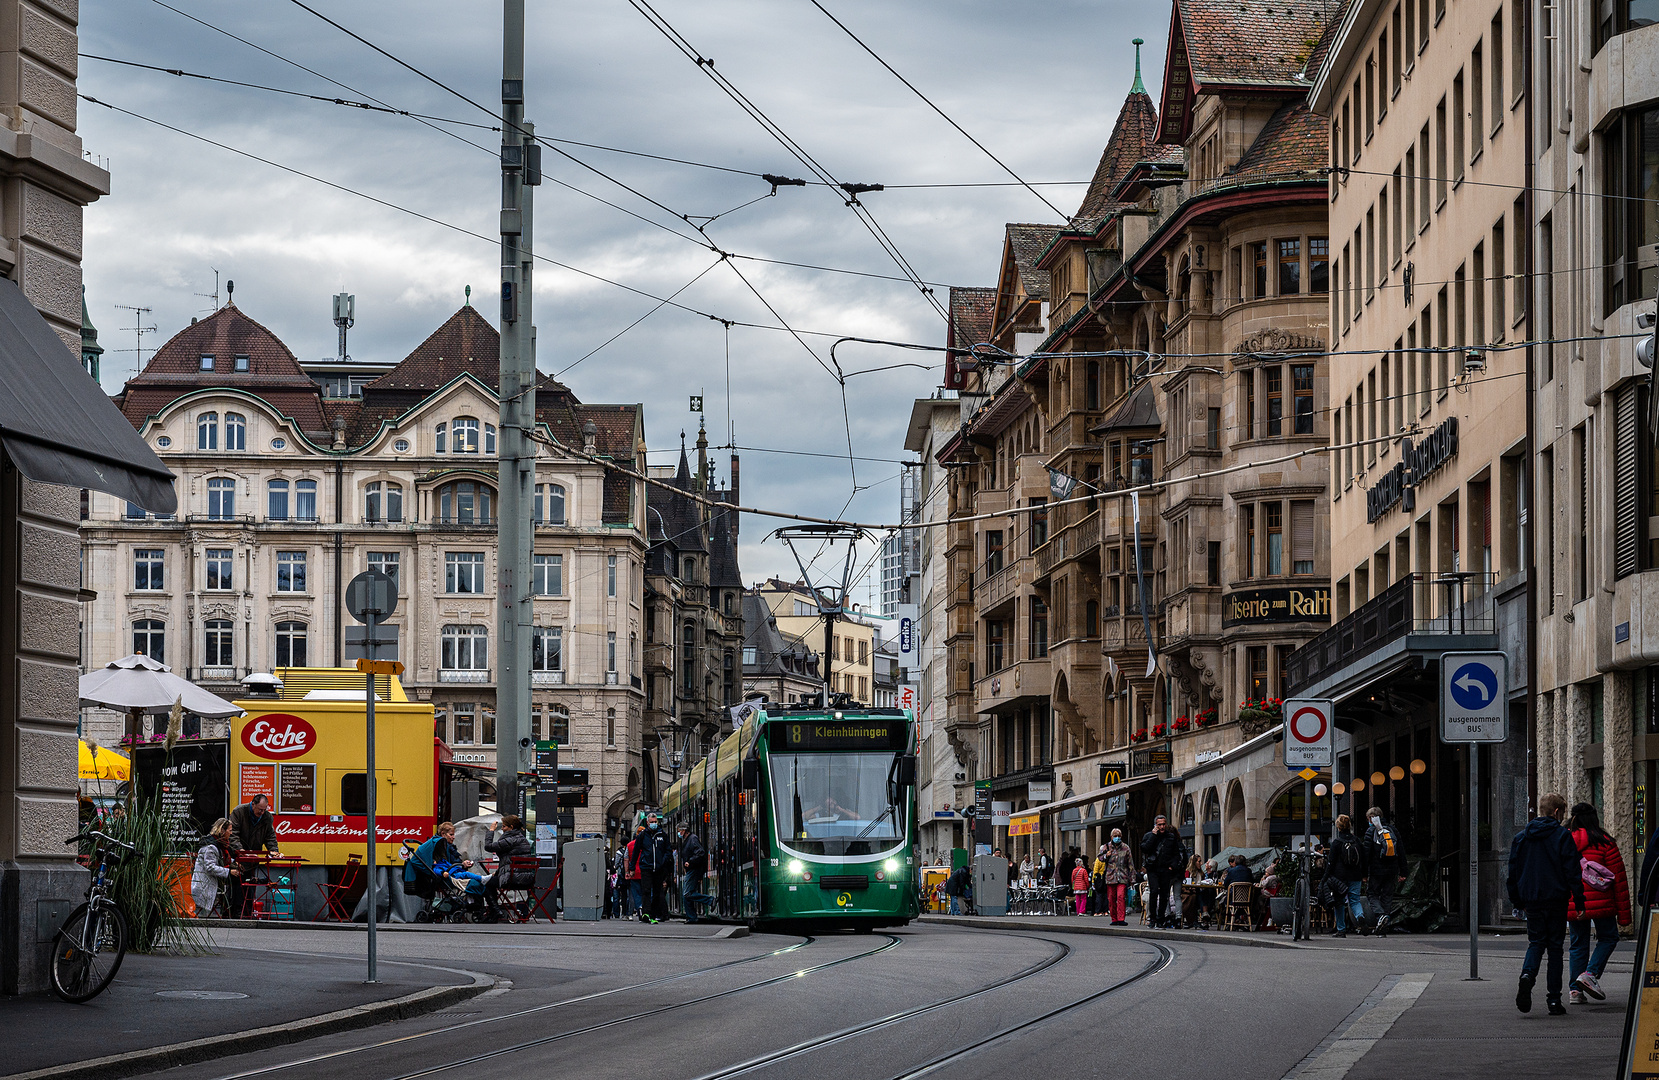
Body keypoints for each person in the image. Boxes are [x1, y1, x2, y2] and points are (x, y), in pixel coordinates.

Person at [1507, 793, 1586, 1015]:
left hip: (1531, 899)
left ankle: (1527, 976)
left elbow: (1512, 872)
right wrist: (1579, 900)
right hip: (1556, 899)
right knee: (1555, 949)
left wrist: (1516, 900)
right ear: (1556, 812)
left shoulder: (1521, 837)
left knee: (1536, 943)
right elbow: (1572, 871)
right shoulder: (1562, 836)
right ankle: (1553, 1000)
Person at [1566, 802, 1630, 1004]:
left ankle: (1575, 991)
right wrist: (1624, 915)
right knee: (1609, 937)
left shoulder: (1563, 841)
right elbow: (1619, 879)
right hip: (1602, 902)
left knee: (1578, 944)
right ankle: (1590, 974)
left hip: (1574, 903)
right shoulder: (1605, 842)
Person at [228, 793, 279, 916]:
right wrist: (241, 851)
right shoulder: (239, 812)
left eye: (264, 809)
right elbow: (233, 834)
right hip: (238, 857)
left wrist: (274, 850)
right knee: (237, 885)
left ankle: (247, 911)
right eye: (260, 809)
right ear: (253, 804)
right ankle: (234, 912)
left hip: (252, 858)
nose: (262, 812)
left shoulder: (267, 817)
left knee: (250, 884)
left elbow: (270, 836)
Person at [483, 815, 534, 922]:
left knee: (487, 884)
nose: (502, 828)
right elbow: (509, 862)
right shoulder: (522, 839)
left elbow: (488, 847)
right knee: (492, 881)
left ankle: (496, 911)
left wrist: (491, 830)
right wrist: (497, 873)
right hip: (527, 878)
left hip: (513, 878)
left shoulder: (510, 840)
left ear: (511, 827)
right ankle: (499, 911)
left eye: (504, 826)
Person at [413, 821, 487, 895]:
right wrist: (461, 866)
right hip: (449, 877)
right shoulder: (443, 849)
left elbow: (451, 864)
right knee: (479, 884)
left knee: (480, 883)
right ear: (443, 834)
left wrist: (462, 865)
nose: (453, 837)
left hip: (452, 874)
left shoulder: (445, 848)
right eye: (451, 835)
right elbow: (445, 866)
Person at [1140, 814, 1187, 929]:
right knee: (1154, 891)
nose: (1161, 827)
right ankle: (1153, 918)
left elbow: (1176, 854)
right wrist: (1153, 836)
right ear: (1156, 825)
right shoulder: (1149, 836)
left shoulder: (1171, 837)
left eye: (1163, 824)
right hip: (1153, 869)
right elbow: (1144, 848)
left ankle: (1161, 918)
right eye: (1159, 824)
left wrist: (1172, 866)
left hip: (1165, 869)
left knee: (1164, 894)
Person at [1363, 806, 1403, 936]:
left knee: (1372, 894)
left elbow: (1366, 854)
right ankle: (1384, 927)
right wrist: (1403, 872)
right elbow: (1401, 851)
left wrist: (1363, 873)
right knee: (1387, 896)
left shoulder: (1370, 831)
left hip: (1376, 870)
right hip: (1392, 870)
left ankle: (1380, 916)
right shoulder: (1393, 830)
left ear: (1371, 818)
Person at [1326, 814, 1368, 938]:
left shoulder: (1337, 843)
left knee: (1339, 903)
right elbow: (1364, 859)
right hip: (1355, 875)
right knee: (1354, 900)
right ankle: (1360, 916)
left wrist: (1326, 877)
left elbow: (1331, 862)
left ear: (1338, 827)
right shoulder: (1356, 841)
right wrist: (1364, 875)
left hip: (1340, 877)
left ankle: (1341, 929)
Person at [190, 817, 239, 918]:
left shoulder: (218, 845)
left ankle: (230, 912)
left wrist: (235, 863)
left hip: (209, 883)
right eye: (230, 830)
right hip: (205, 885)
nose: (231, 833)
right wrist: (229, 872)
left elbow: (220, 859)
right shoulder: (211, 847)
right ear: (222, 830)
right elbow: (210, 867)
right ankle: (233, 912)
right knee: (236, 884)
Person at [631, 811, 673, 923]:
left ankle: (653, 914)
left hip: (659, 868)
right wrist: (632, 867)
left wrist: (662, 862)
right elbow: (636, 851)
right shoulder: (643, 836)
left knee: (657, 892)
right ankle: (646, 913)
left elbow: (668, 850)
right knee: (645, 890)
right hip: (646, 867)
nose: (654, 823)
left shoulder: (662, 835)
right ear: (648, 823)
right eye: (651, 822)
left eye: (655, 822)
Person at [1101, 829, 1134, 925]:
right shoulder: (1106, 847)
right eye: (1115, 835)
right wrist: (1105, 856)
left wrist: (1132, 878)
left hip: (1122, 877)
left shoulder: (1125, 848)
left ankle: (1121, 918)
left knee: (1120, 897)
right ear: (1111, 837)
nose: (1117, 837)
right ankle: (1114, 919)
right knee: (1111, 898)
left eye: (1119, 835)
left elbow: (1130, 863)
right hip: (1110, 877)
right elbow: (1099, 858)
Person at [677, 824, 708, 923]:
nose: (679, 833)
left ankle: (710, 900)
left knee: (687, 893)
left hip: (693, 868)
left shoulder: (692, 838)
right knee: (687, 893)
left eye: (679, 830)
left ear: (684, 830)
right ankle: (691, 916)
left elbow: (700, 852)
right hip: (691, 868)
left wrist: (690, 861)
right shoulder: (688, 840)